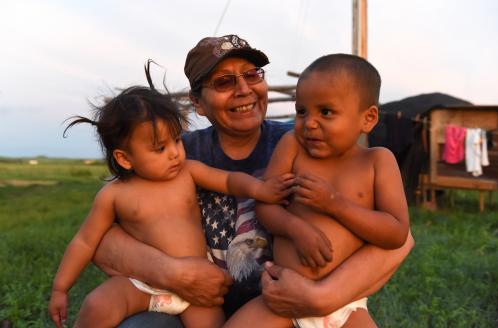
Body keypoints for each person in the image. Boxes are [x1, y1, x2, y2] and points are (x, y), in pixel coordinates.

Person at [91, 35, 414, 327]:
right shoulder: (174, 156)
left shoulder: (309, 144)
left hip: (287, 300)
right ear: (198, 103)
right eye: (224, 81)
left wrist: (321, 297)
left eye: (252, 74)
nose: (244, 89)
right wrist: (173, 273)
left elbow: (400, 239)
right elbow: (102, 241)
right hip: (199, 308)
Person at [47, 86, 295, 328]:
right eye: (160, 148)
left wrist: (259, 189)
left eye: (177, 140)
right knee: (97, 305)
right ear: (124, 158)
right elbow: (85, 242)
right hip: (141, 283)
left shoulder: (188, 172)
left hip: (197, 289)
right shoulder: (113, 195)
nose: (175, 153)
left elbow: (229, 180)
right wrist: (61, 288)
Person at [224, 53, 410, 328]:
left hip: (345, 306)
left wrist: (335, 204)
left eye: (325, 112)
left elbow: (396, 233)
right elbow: (266, 204)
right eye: (302, 111)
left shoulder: (377, 161)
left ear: (368, 118)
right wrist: (295, 228)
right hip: (280, 298)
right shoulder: (293, 146)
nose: (309, 122)